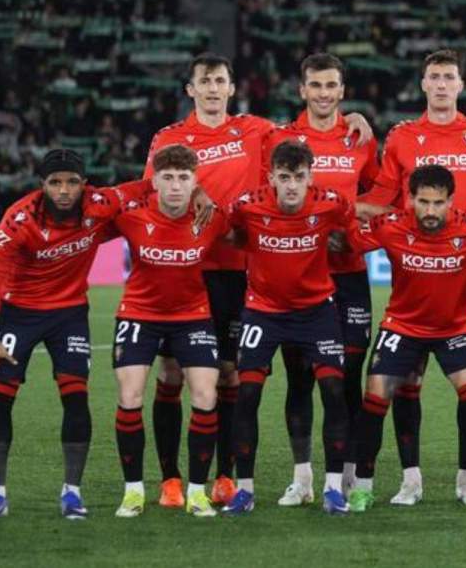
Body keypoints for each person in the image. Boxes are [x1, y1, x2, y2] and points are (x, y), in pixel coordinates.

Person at [142, 52, 373, 508]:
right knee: (171, 375)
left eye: (220, 81)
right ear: (191, 89)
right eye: (204, 82)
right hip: (186, 267)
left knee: (230, 378)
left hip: (238, 271)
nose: (212, 89)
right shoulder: (169, 139)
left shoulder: (257, 129)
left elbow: (312, 128)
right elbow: (151, 187)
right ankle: (170, 479)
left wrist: (355, 118)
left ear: (231, 89)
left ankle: (228, 478)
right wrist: (196, 190)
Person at [356, 49, 466, 505]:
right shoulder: (403, 136)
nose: (442, 84)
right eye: (434, 77)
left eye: (450, 76)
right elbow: (383, 195)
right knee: (409, 383)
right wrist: (339, 206)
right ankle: (411, 479)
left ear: (460, 85)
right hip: (420, 264)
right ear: (424, 85)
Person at [0, 149, 153, 520]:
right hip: (19, 313)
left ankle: (72, 493)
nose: (64, 190)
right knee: (0, 398)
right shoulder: (19, 221)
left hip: (69, 314)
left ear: (84, 184)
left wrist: (195, 192)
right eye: (55, 182)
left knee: (75, 396)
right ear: (42, 186)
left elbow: (146, 188)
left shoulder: (100, 203)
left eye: (72, 181)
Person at [346, 165, 466, 513]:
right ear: (410, 199)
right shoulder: (390, 226)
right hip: (402, 327)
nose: (430, 211)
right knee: (374, 400)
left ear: (451, 201)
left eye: (438, 202)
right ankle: (362, 488)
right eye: (423, 202)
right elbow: (348, 242)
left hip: (456, 328)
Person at [265, 54, 379, 505]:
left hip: (349, 276)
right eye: (316, 85)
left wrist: (354, 227)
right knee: (299, 380)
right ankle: (303, 478)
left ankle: (346, 475)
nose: (324, 93)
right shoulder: (279, 139)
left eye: (332, 85)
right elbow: (266, 195)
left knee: (347, 378)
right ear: (302, 90)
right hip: (296, 275)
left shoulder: (361, 139)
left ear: (342, 90)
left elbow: (381, 194)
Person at [222, 141, 356, 516]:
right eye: (284, 178)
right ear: (271, 178)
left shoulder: (331, 202)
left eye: (299, 177)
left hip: (316, 312)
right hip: (263, 312)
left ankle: (330, 488)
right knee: (246, 393)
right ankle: (244, 490)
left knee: (332, 389)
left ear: (311, 177)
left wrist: (341, 242)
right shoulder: (248, 204)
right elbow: (230, 232)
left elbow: (350, 235)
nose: (292, 186)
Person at [110, 144, 232, 518]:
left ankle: (196, 492)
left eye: (183, 178)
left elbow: (251, 233)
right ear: (156, 181)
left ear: (196, 182)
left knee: (206, 395)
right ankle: (133, 492)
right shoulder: (130, 217)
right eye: (168, 178)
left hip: (192, 315)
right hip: (139, 314)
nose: (176, 186)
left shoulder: (212, 218)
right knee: (130, 395)